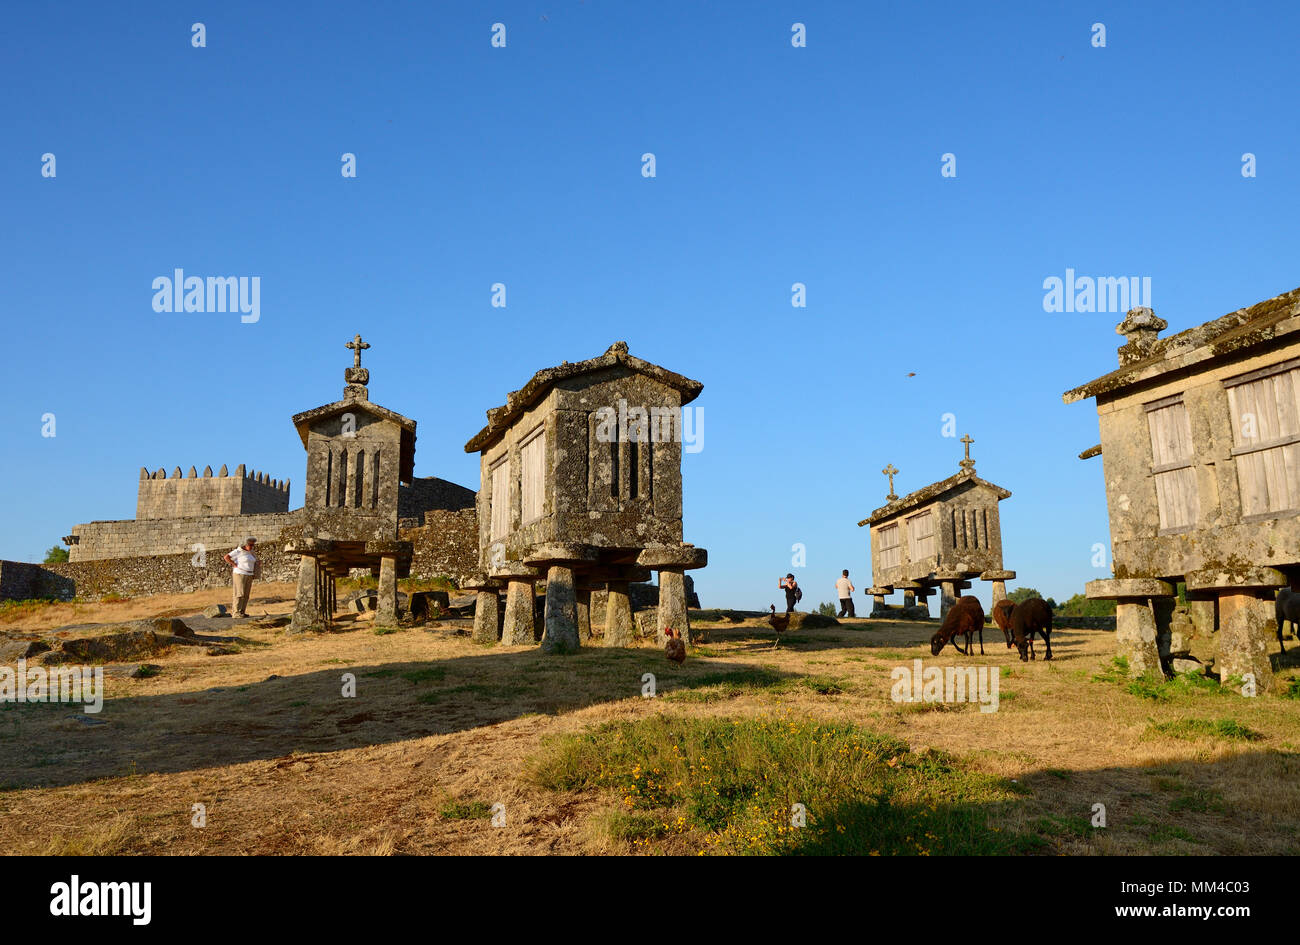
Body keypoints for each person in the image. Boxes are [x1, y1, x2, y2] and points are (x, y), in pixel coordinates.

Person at [223, 537, 259, 618]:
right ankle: (236, 612)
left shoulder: (251, 552)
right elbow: (226, 557)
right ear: (245, 544)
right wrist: (234, 564)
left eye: (253, 544)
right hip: (240, 574)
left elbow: (255, 560)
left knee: (246, 594)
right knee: (239, 593)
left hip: (249, 574)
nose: (252, 546)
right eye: (250, 544)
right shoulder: (238, 551)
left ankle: (242, 612)